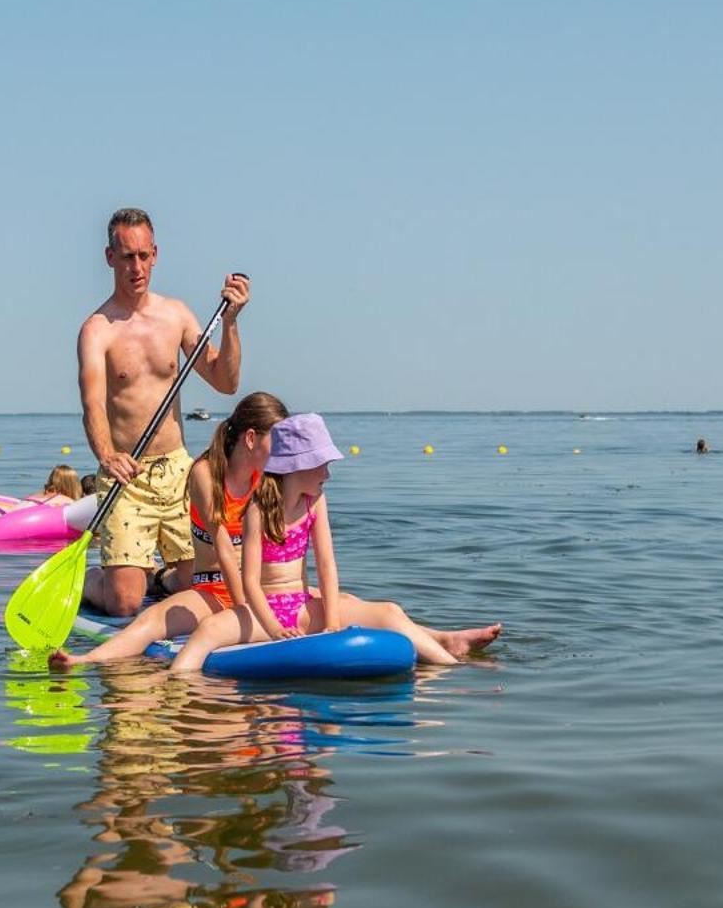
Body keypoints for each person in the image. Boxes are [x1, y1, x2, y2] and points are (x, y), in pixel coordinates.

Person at [170, 413, 501, 676]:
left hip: (302, 606)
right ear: (298, 466)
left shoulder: (316, 502)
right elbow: (250, 580)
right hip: (265, 612)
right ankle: (179, 688)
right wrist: (272, 628)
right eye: (323, 465)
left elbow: (327, 566)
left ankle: (452, 668)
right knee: (209, 629)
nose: (328, 473)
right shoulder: (257, 509)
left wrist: (330, 621)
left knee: (390, 611)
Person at [79, 207, 250, 616]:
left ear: (155, 254)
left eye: (143, 256)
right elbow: (92, 404)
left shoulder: (176, 314)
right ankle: (89, 580)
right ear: (109, 257)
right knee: (123, 603)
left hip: (178, 471)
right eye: (126, 257)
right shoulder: (97, 329)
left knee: (204, 585)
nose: (136, 267)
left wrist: (230, 324)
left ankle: (159, 578)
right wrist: (107, 456)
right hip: (127, 473)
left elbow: (225, 382)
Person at [50, 392, 288, 670]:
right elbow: (223, 546)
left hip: (258, 593)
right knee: (149, 620)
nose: (285, 450)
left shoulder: (269, 477)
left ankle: (159, 578)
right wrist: (243, 611)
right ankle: (84, 657)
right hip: (213, 591)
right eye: (278, 439)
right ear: (250, 439)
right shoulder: (205, 472)